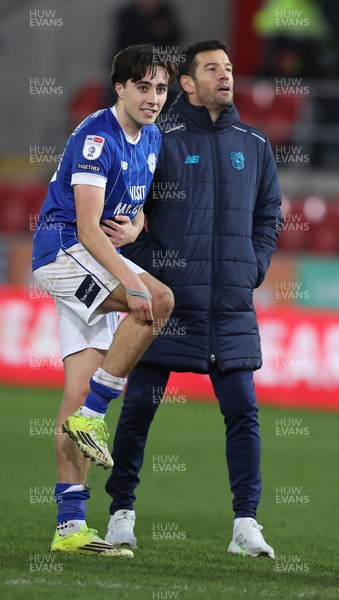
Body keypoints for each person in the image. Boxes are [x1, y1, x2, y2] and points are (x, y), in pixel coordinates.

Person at [103, 40, 282, 558]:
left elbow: (269, 213)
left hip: (229, 307)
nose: (225, 75)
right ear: (187, 82)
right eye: (212, 68)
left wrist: (253, 265)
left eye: (228, 67)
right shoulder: (159, 141)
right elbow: (124, 219)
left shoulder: (255, 143)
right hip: (169, 306)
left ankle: (246, 524)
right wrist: (157, 271)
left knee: (243, 414)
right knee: (138, 407)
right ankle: (121, 514)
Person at [32, 44, 176, 557]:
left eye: (161, 88)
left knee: (73, 396)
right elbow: (91, 231)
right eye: (143, 86)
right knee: (156, 301)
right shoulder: (98, 136)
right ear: (119, 87)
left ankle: (70, 526)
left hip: (88, 259)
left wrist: (137, 225)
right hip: (63, 253)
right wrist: (133, 284)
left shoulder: (153, 137)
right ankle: (97, 410)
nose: (153, 97)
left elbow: (130, 216)